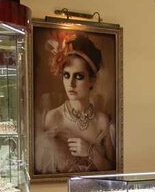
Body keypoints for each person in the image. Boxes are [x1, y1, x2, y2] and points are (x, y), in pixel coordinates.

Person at [36, 35, 115, 173]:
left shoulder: (102, 121)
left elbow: (112, 171)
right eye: (66, 75)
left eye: (79, 76)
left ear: (92, 80)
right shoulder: (54, 117)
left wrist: (90, 151)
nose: (71, 84)